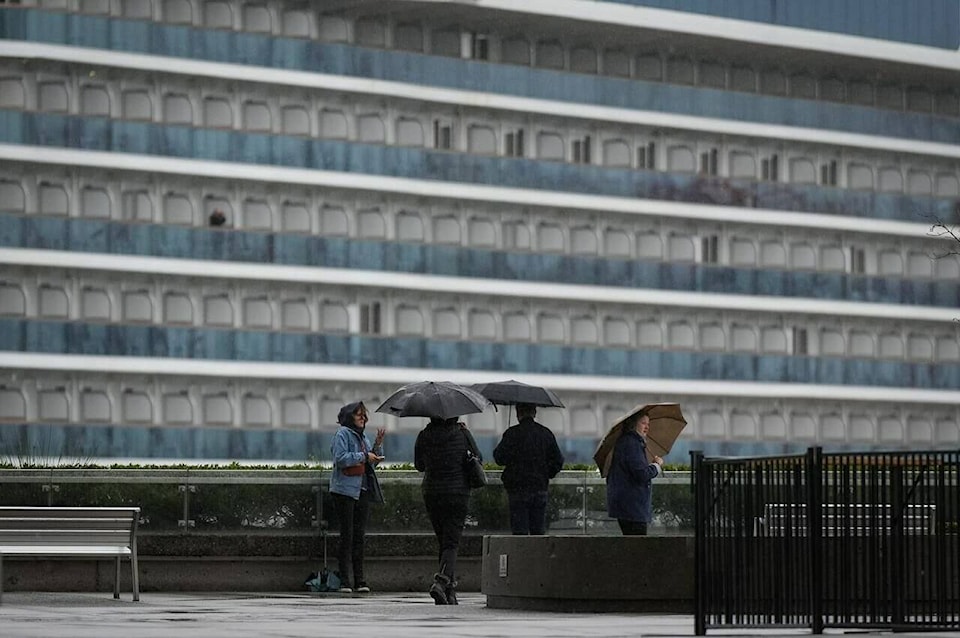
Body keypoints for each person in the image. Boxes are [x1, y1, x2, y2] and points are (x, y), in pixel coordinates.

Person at [413, 416, 481, 605]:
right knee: (451, 542)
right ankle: (441, 582)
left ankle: (449, 592)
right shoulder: (462, 434)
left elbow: (419, 466)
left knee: (444, 541)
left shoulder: (423, 435)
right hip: (457, 493)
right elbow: (478, 457)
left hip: (432, 493)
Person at [330, 401, 385, 593]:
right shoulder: (342, 434)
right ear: (349, 417)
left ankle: (360, 580)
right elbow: (340, 458)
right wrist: (364, 456)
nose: (363, 418)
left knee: (359, 537)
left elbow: (370, 463)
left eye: (364, 415)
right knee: (347, 536)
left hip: (361, 491)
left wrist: (377, 447)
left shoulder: (363, 437)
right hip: (344, 491)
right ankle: (345, 581)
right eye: (358, 414)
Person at [493, 403, 565, 535]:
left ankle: (521, 555)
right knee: (538, 530)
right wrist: (546, 474)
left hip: (517, 488)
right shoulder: (545, 433)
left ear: (517, 413)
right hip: (539, 486)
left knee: (519, 531)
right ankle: (537, 554)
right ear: (534, 413)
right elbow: (558, 461)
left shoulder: (512, 433)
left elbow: (499, 458)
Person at [605, 411, 663, 536]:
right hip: (633, 508)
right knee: (638, 547)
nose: (647, 427)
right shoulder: (632, 443)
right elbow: (641, 474)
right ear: (633, 424)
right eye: (643, 423)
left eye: (648, 424)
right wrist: (656, 466)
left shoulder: (629, 442)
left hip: (627, 506)